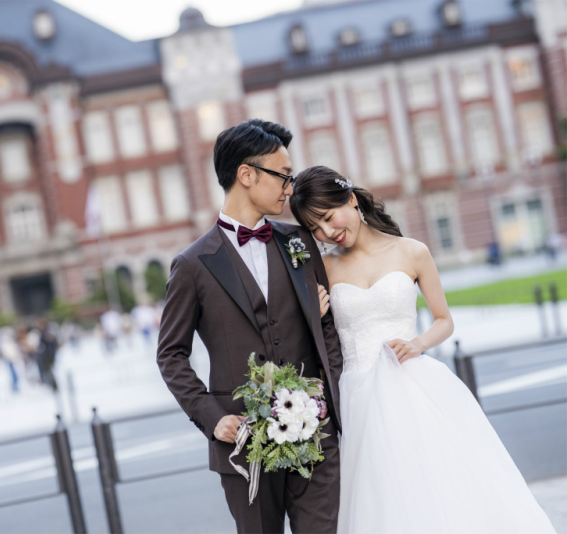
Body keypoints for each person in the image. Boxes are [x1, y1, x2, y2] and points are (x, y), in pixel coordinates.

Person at [291, 166, 556, 534]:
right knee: (382, 499)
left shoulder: (412, 252)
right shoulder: (324, 267)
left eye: (327, 217)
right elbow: (316, 339)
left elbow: (444, 320)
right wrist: (315, 313)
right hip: (358, 397)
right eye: (315, 228)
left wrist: (417, 344)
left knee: (440, 487)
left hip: (412, 384)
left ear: (351, 200)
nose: (326, 232)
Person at [157, 120, 343, 533]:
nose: (289, 188)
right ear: (246, 175)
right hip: (243, 444)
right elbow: (170, 354)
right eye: (283, 176)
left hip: (315, 433)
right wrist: (211, 416)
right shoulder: (192, 265)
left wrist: (328, 398)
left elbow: (327, 327)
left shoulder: (298, 241)